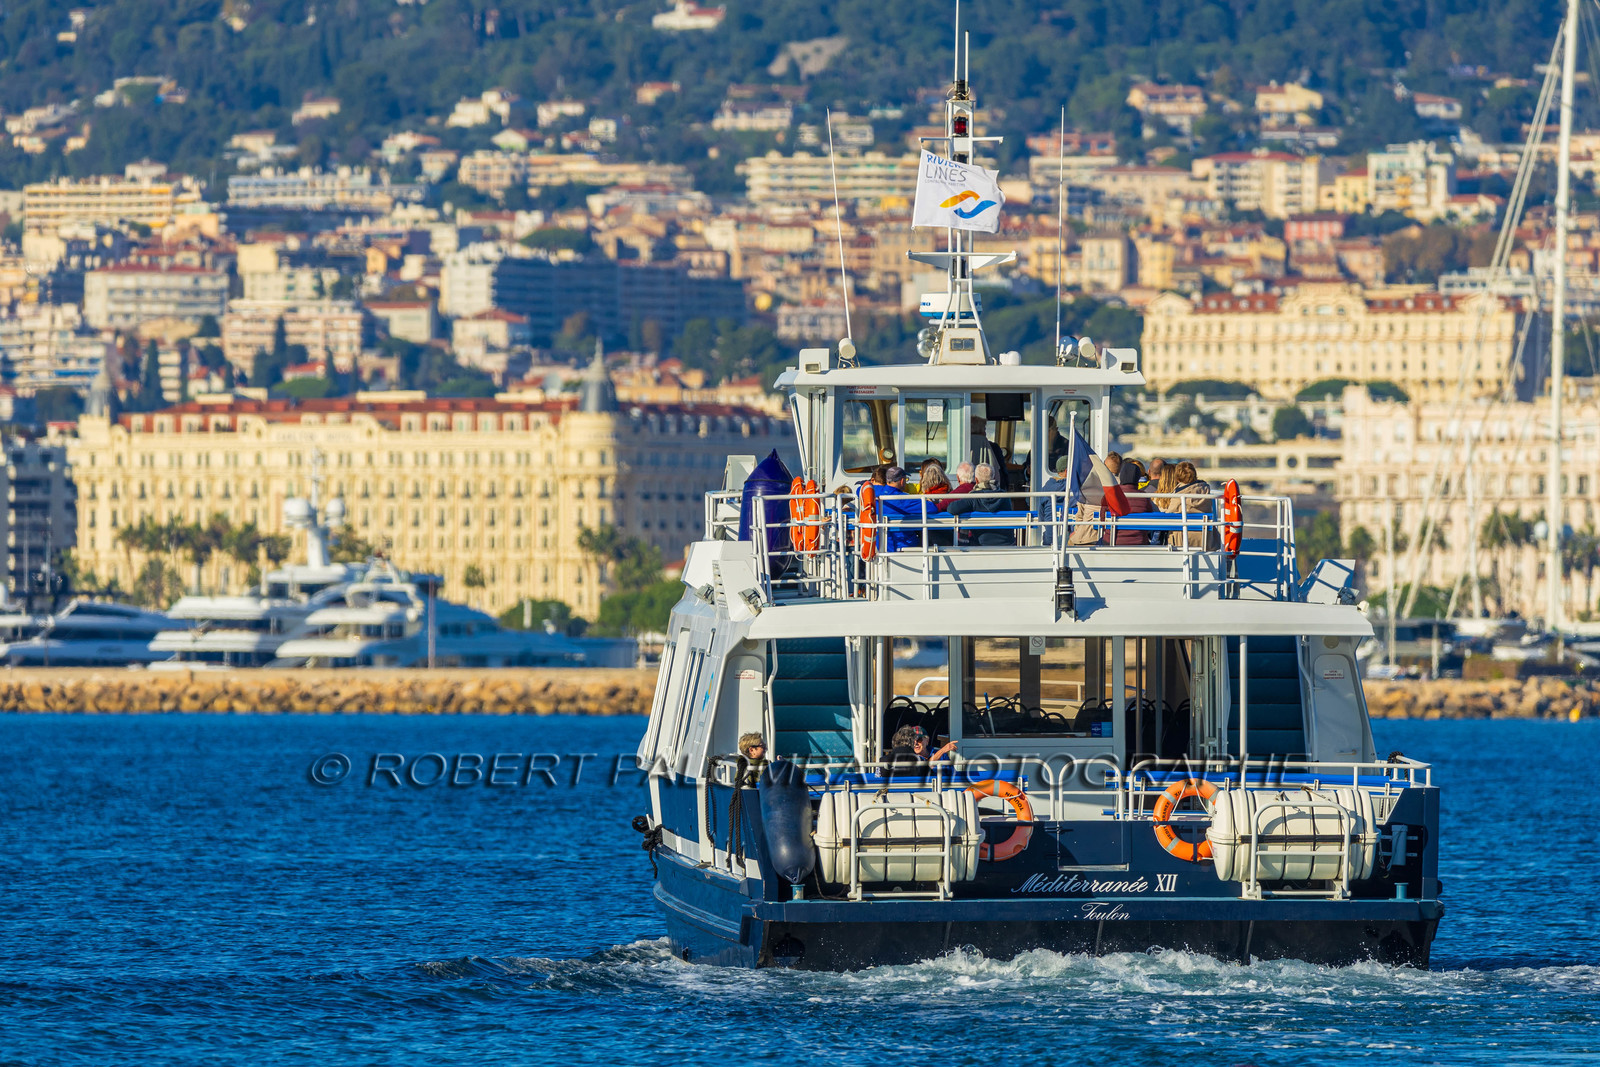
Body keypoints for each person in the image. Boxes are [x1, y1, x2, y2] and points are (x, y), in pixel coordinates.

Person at [944, 463, 1017, 546]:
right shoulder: (1004, 497)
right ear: (993, 478)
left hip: (982, 544)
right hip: (1007, 544)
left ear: (976, 480)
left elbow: (951, 509)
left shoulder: (974, 497)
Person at [875, 466, 933, 551]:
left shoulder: (877, 491)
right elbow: (932, 508)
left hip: (881, 544)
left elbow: (859, 489)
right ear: (902, 481)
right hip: (904, 546)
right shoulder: (904, 499)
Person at [1170, 461, 1215, 548]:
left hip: (1184, 538)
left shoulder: (1178, 496)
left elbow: (1169, 514)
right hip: (1205, 537)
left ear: (1177, 478)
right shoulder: (1205, 490)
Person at [1111, 460, 1154, 546]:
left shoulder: (1112, 495)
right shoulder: (1143, 497)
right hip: (1139, 542)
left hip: (1113, 541)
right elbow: (1150, 517)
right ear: (1138, 478)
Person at [970, 415, 1008, 490]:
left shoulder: (961, 447)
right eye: (984, 429)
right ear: (981, 431)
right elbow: (1003, 472)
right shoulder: (994, 448)